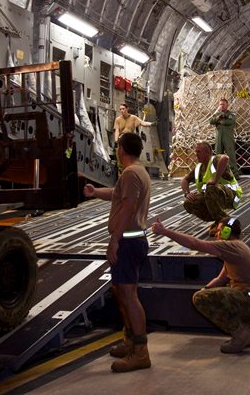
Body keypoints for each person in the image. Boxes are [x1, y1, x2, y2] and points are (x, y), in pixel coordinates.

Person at [83, 132, 153, 373]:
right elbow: (118, 196)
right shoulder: (136, 172)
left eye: (117, 146)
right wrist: (94, 192)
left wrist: (114, 240)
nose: (116, 149)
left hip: (128, 242)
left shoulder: (132, 173)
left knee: (129, 295)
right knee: (122, 293)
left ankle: (140, 352)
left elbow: (129, 206)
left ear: (122, 149)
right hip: (131, 240)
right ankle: (131, 341)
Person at [151, 216, 250, 353]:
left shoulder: (231, 246)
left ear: (227, 231)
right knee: (211, 293)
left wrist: (165, 232)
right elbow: (220, 279)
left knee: (201, 299)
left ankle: (241, 334)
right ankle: (248, 327)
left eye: (220, 231)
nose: (216, 234)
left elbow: (195, 244)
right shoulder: (237, 248)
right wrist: (205, 289)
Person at [181, 142, 242, 223]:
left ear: (208, 153)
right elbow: (185, 180)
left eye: (199, 152)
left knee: (211, 188)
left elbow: (225, 158)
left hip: (231, 195)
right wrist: (187, 193)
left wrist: (215, 180)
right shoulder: (199, 168)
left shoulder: (215, 160)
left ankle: (226, 222)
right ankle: (221, 220)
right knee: (189, 203)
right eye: (196, 152)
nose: (196, 154)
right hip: (212, 196)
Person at [112, 104, 152, 175]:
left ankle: (130, 174)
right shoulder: (118, 119)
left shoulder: (133, 118)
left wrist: (152, 124)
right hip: (122, 140)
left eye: (123, 109)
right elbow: (117, 130)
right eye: (120, 109)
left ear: (127, 109)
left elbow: (143, 123)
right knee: (120, 160)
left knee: (131, 159)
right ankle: (121, 176)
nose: (122, 110)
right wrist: (116, 140)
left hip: (130, 140)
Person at [209, 98, 238, 177]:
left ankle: (234, 174)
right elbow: (211, 121)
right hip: (219, 137)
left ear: (227, 105)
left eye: (223, 104)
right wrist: (217, 118)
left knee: (231, 155)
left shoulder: (231, 114)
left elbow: (231, 121)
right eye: (220, 104)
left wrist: (222, 121)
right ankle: (219, 175)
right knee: (218, 155)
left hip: (228, 137)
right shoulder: (217, 114)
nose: (221, 106)